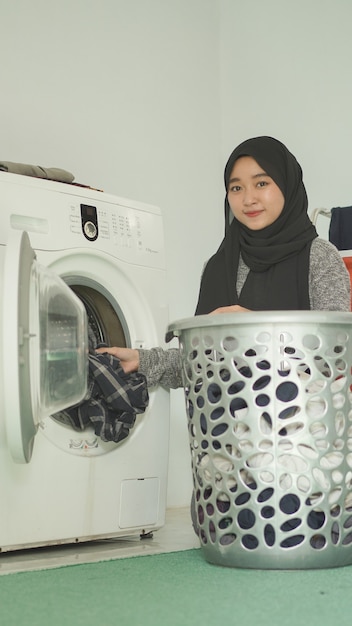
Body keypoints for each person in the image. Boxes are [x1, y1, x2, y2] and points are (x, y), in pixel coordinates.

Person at [97, 136, 351, 388]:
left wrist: (255, 330)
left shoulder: (319, 256)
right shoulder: (218, 266)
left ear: (287, 185)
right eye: (236, 188)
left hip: (303, 420)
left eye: (261, 183)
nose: (248, 199)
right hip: (225, 420)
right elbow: (201, 362)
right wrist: (142, 360)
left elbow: (337, 354)